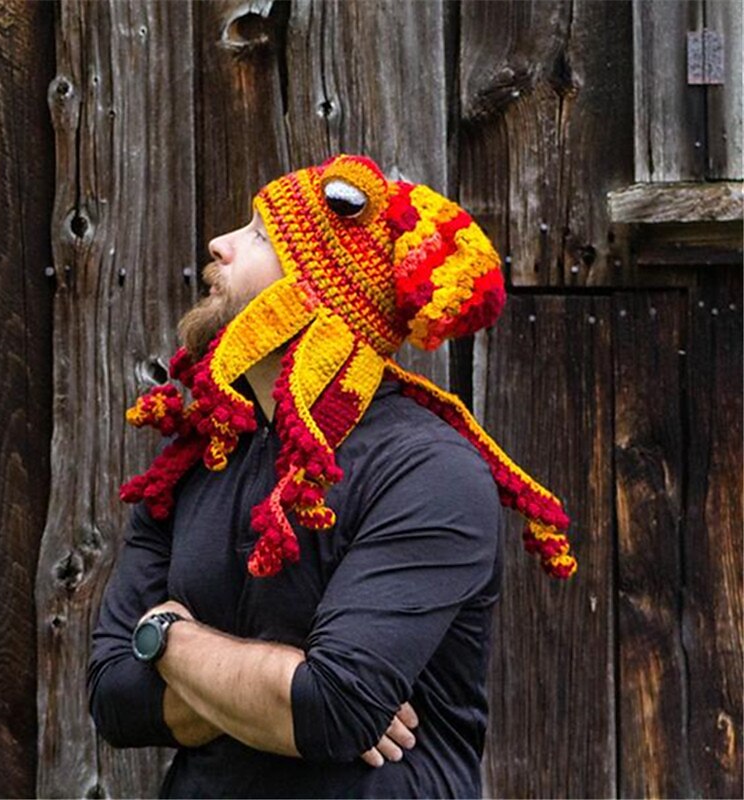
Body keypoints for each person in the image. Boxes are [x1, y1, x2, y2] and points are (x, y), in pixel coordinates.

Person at [87, 154, 577, 798]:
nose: (220, 244)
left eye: (262, 236)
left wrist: (166, 637)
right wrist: (280, 691)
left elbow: (333, 709)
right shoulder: (196, 459)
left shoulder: (428, 471)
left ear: (317, 297)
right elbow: (114, 699)